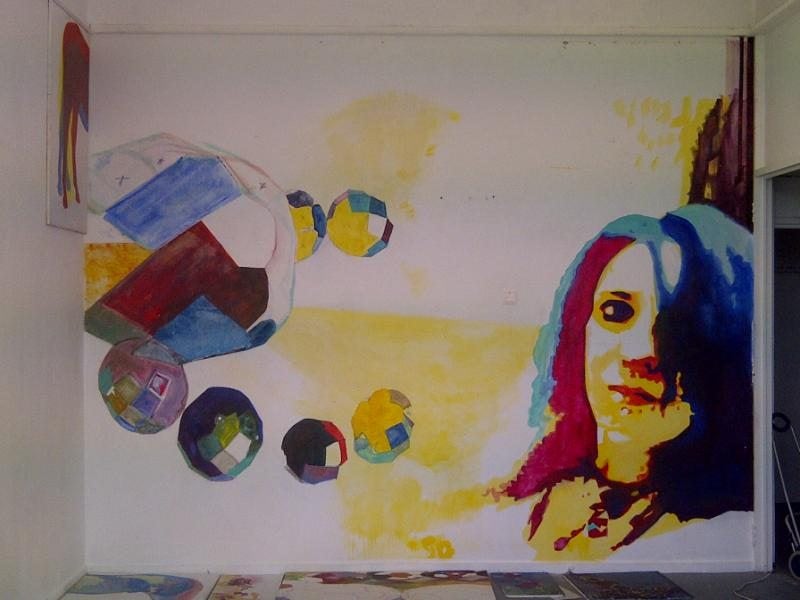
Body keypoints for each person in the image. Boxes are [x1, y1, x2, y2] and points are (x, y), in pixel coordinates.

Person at [503, 204, 753, 559]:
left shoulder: (715, 528)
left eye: (678, 327)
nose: (641, 351)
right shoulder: (527, 505)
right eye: (616, 312)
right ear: (579, 333)